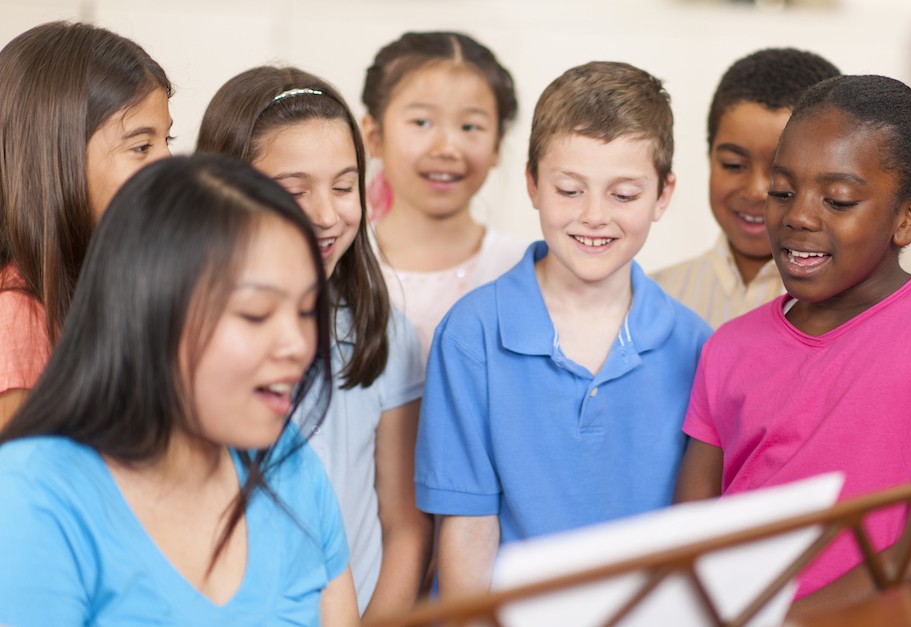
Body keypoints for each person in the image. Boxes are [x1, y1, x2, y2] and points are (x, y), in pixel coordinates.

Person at [673, 75, 911, 616]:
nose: (799, 216)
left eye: (838, 200)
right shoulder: (728, 347)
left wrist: (779, 621)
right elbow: (688, 538)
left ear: (906, 219)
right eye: (783, 192)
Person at [0, 155, 357, 625]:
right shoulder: (34, 495)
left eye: (308, 310)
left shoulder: (291, 466)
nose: (297, 345)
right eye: (256, 314)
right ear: (150, 315)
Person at [414, 61, 712, 599]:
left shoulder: (695, 345)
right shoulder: (471, 335)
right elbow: (466, 530)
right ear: (532, 183)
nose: (594, 216)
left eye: (624, 195)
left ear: (663, 195)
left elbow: (692, 533)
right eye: (570, 190)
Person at [198, 66, 428, 617]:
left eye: (345, 187)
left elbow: (403, 524)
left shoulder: (384, 331)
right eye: (293, 191)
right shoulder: (188, 337)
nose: (326, 215)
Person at [0, 21, 173, 426]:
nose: (167, 164)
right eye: (141, 146)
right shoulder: (17, 318)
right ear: (57, 160)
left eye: (169, 140)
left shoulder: (103, 289)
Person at [361, 31, 528, 358]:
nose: (447, 148)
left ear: (497, 144)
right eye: (421, 122)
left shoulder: (524, 268)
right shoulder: (339, 264)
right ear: (374, 135)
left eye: (470, 127)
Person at [653, 48, 840, 328]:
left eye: (781, 172)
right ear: (709, 156)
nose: (756, 191)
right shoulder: (655, 298)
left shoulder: (853, 307)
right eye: (733, 165)